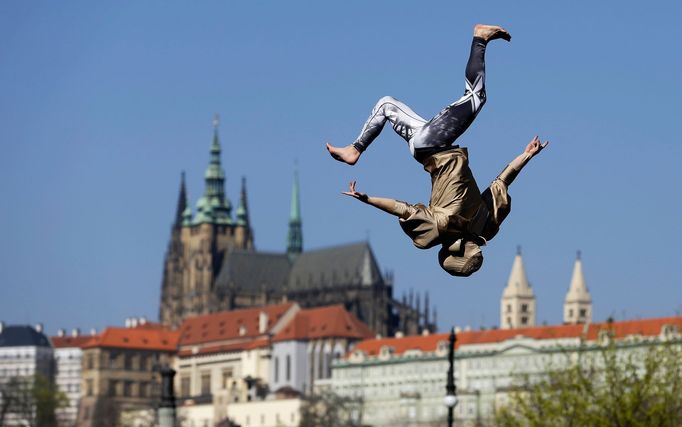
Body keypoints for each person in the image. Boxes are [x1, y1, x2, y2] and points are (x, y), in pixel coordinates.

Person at [326, 24, 549, 277]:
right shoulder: (482, 224)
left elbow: (402, 209)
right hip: (427, 148)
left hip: (435, 145)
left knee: (476, 96)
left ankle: (480, 38)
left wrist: (368, 200)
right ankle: (355, 150)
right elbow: (502, 182)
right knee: (386, 104)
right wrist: (527, 156)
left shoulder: (445, 226)